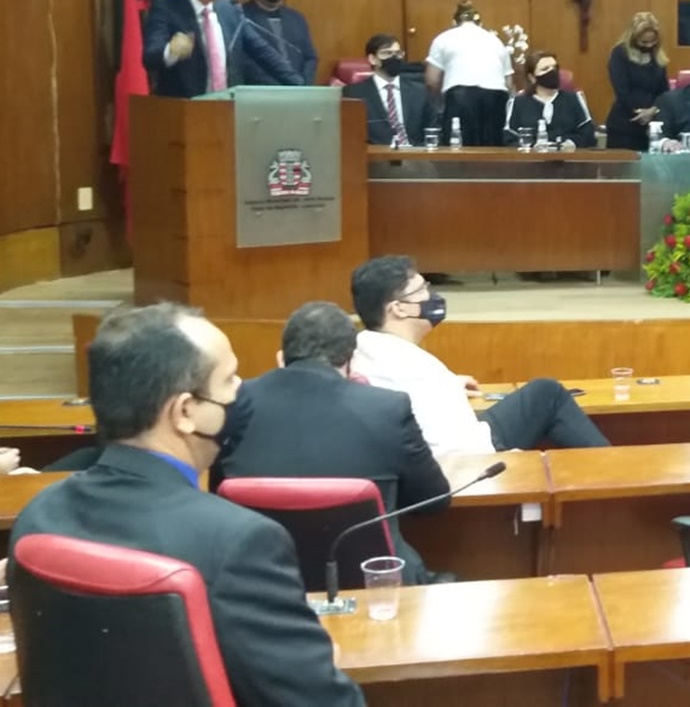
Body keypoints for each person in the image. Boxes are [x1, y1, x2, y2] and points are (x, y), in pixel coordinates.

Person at [9, 303, 363, 706]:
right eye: (229, 379)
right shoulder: (239, 543)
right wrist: (315, 665)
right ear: (185, 412)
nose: (242, 390)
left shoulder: (38, 516)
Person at [217, 301, 453, 585]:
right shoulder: (386, 408)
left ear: (282, 357)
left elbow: (219, 491)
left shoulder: (233, 404)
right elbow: (433, 500)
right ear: (350, 361)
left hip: (260, 582)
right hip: (374, 584)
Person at [350, 256, 611, 457]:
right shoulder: (416, 371)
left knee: (542, 392)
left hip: (463, 435)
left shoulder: (363, 347)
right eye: (421, 290)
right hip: (474, 455)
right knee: (548, 394)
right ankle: (615, 471)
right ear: (399, 308)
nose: (431, 295)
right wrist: (515, 460)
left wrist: (448, 385)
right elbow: (455, 453)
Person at [142, 0, 304, 97]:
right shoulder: (166, 9)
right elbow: (150, 58)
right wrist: (171, 52)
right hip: (185, 108)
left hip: (228, 106)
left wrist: (300, 87)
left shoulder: (229, 9)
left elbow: (262, 51)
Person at [425, 0, 513, 146]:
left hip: (460, 97)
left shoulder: (444, 38)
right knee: (493, 150)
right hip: (495, 98)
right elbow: (509, 84)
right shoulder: (496, 41)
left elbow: (432, 80)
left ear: (454, 22)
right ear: (480, 24)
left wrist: (440, 105)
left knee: (458, 148)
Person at [343, 34, 439, 146]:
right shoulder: (354, 93)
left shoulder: (419, 92)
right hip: (376, 153)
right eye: (387, 53)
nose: (394, 58)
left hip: (414, 152)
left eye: (398, 53)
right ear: (372, 59)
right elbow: (350, 135)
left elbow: (433, 131)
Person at [239, 0, 318, 85]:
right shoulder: (240, 16)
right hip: (260, 90)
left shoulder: (296, 18)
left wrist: (303, 83)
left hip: (298, 89)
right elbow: (242, 60)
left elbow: (310, 57)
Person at [503, 50, 596, 150]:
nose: (552, 71)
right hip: (530, 158)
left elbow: (588, 134)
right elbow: (509, 138)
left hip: (568, 157)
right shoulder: (518, 103)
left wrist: (572, 143)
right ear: (532, 77)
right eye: (545, 69)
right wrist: (531, 147)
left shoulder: (574, 99)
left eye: (555, 67)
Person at [605, 12, 670, 151]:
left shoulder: (657, 56)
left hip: (653, 124)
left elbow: (664, 91)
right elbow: (622, 90)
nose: (649, 45)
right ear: (633, 38)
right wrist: (640, 113)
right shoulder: (620, 53)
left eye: (653, 41)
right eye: (644, 42)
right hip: (625, 124)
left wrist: (653, 110)